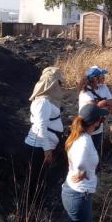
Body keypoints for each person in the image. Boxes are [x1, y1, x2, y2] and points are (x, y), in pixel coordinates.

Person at [62, 103, 108, 222]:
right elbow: (80, 160)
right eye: (101, 120)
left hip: (77, 192)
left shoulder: (79, 135)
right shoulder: (84, 141)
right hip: (78, 194)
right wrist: (80, 171)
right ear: (95, 123)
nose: (101, 122)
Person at [24, 66, 66, 203]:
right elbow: (41, 126)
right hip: (38, 148)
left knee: (38, 179)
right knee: (34, 180)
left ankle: (35, 207)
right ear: (52, 84)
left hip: (40, 148)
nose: (61, 86)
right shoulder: (43, 102)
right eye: (59, 83)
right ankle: (30, 210)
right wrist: (47, 150)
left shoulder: (46, 101)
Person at [78, 66, 112, 156]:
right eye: (101, 76)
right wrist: (105, 103)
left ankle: (95, 168)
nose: (104, 78)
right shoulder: (85, 92)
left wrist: (104, 102)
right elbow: (94, 107)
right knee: (85, 152)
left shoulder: (103, 87)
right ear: (95, 79)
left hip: (98, 125)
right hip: (87, 126)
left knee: (95, 151)